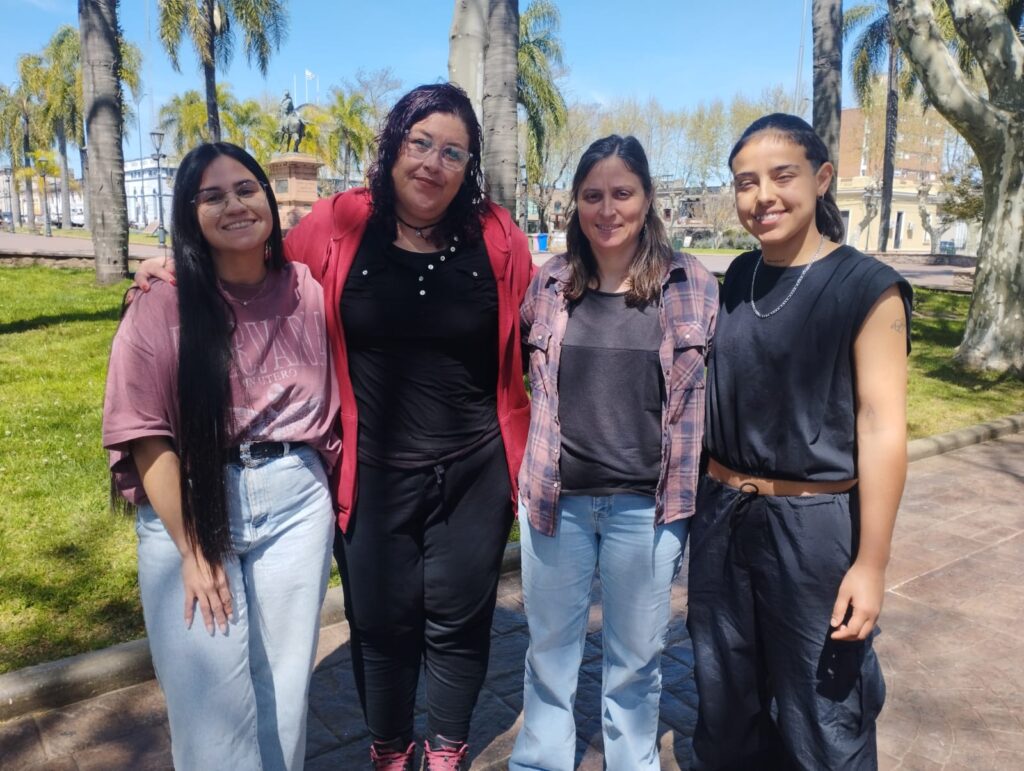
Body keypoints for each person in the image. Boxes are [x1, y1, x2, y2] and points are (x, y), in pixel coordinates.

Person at [134, 83, 533, 771]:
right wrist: (177, 265)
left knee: (462, 620)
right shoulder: (340, 222)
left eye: (453, 152)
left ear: (470, 166)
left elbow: (537, 327)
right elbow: (256, 259)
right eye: (420, 143)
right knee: (379, 622)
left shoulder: (497, 237)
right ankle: (389, 749)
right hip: (370, 468)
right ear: (393, 144)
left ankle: (445, 748)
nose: (433, 163)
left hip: (476, 466)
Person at [103, 142, 339, 770]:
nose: (234, 204)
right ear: (188, 213)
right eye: (212, 196)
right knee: (210, 709)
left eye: (246, 189)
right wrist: (192, 548)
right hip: (193, 503)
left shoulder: (306, 290)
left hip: (295, 501)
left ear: (269, 199)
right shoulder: (161, 304)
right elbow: (145, 432)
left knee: (284, 694)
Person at [687, 113, 912, 769]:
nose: (763, 197)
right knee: (725, 703)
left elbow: (882, 425)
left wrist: (870, 564)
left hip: (813, 530)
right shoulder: (737, 276)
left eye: (781, 176)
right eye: (745, 182)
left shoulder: (867, 287)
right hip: (723, 517)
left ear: (821, 178)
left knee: (822, 714)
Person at [509, 135, 718, 771]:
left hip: (646, 509)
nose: (607, 209)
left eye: (622, 193)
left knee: (635, 658)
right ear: (575, 203)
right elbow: (527, 376)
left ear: (647, 199)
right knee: (549, 649)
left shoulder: (691, 285)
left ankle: (631, 761)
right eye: (592, 195)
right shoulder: (550, 285)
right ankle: (541, 761)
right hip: (557, 500)